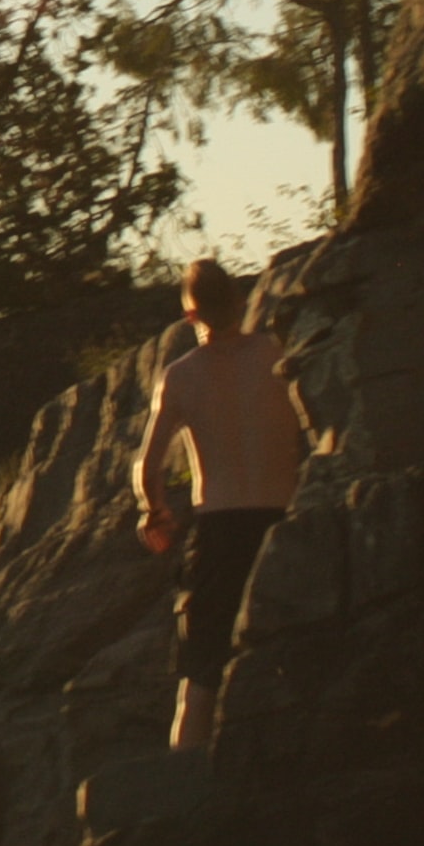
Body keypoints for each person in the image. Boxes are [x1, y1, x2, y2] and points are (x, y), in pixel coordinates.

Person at [135, 256, 309, 753]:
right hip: (286, 522)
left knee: (200, 679)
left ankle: (187, 792)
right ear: (240, 301)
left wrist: (155, 512)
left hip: (220, 533)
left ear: (190, 317)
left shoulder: (182, 376)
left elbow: (147, 469)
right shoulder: (276, 353)